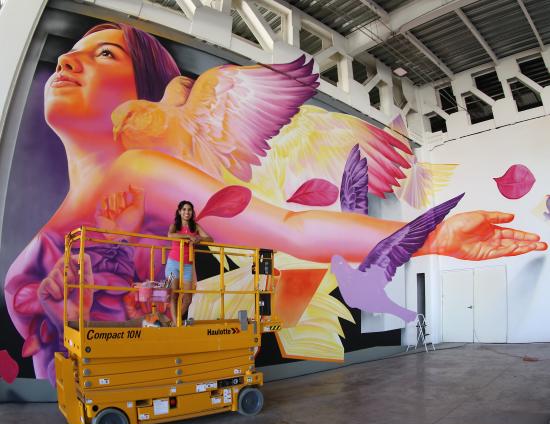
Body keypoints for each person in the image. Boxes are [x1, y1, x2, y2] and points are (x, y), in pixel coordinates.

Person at [4, 22, 546, 384]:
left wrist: (436, 235)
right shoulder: (102, 192)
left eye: (103, 53)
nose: (68, 61)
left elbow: (292, 228)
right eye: (70, 54)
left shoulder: (142, 173)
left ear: (141, 90)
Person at [166, 201, 212, 323]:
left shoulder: (195, 226)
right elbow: (170, 235)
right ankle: (176, 324)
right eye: (184, 209)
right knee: (174, 294)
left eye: (189, 210)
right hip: (172, 264)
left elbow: (210, 239)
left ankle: (174, 323)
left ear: (192, 212)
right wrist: (188, 237)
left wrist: (199, 238)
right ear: (179, 212)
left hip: (187, 266)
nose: (187, 212)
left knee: (188, 298)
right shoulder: (175, 225)